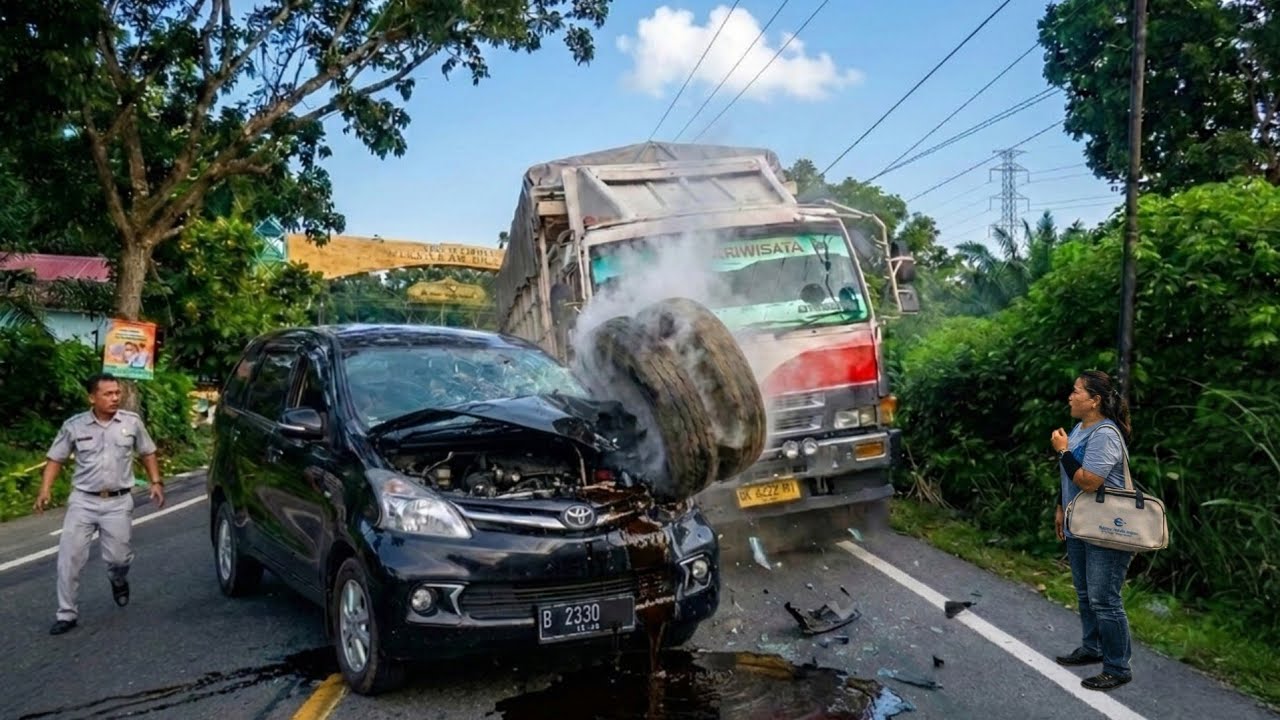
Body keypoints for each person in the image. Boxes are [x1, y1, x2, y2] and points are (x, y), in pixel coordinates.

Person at [33, 372, 165, 635]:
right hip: (83, 501)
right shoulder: (74, 426)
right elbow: (55, 458)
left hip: (118, 502)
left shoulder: (131, 422)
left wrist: (156, 482)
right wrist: (45, 489)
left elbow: (147, 452)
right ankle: (66, 613)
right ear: (92, 397)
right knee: (68, 558)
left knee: (118, 558)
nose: (115, 398)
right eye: (108, 394)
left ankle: (118, 578)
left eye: (117, 393)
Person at [1050, 369, 1135, 691]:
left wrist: (1062, 450)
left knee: (1105, 599)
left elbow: (1089, 480)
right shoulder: (1080, 428)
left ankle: (1117, 667)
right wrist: (1061, 507)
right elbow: (1069, 476)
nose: (1070, 396)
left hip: (1107, 528)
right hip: (1079, 523)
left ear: (1094, 400)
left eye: (1076, 392)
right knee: (1086, 595)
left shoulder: (1105, 434)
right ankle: (1092, 648)